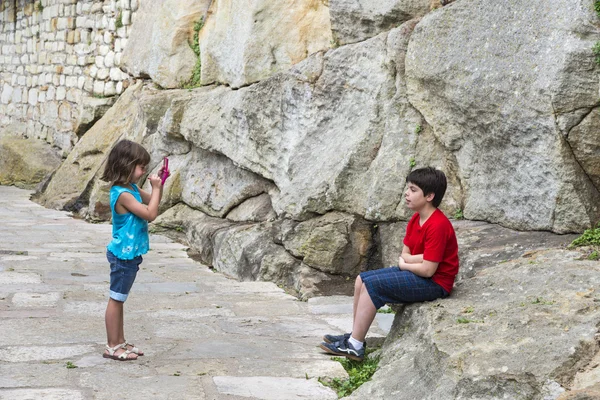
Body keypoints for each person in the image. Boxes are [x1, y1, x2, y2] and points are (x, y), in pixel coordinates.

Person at [320, 167, 459, 361]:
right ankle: (355, 337)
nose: (407, 193)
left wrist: (407, 264)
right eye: (408, 188)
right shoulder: (416, 219)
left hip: (436, 284)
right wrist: (415, 259)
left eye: (413, 190)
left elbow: (428, 270)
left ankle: (355, 346)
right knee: (361, 279)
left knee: (373, 285)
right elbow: (405, 253)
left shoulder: (437, 225)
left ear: (429, 196)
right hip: (420, 273)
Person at [100, 139, 166, 361]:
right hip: (122, 255)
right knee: (116, 299)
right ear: (126, 165)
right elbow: (150, 214)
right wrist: (155, 188)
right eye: (141, 167)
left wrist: (160, 185)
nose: (144, 171)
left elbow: (154, 203)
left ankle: (120, 341)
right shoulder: (123, 194)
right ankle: (112, 345)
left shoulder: (132, 188)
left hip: (129, 254)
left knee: (120, 298)